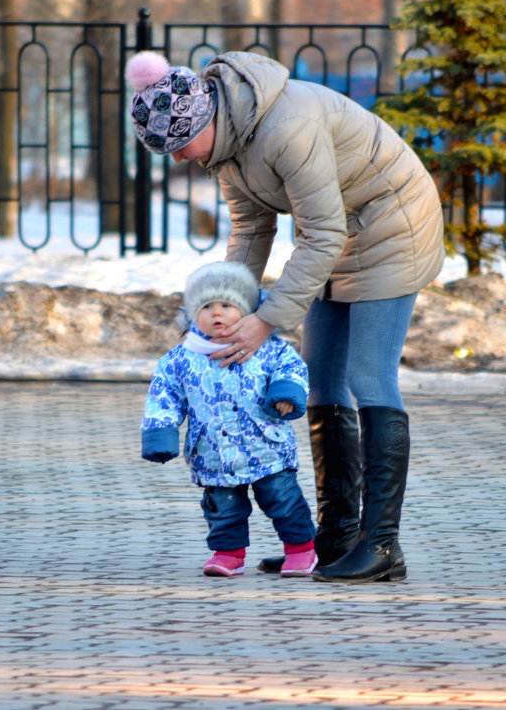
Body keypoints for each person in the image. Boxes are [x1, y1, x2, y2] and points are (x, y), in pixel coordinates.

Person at [126, 50, 445, 583]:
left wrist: (266, 321)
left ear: (200, 121)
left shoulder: (286, 126)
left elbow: (320, 235)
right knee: (321, 382)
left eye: (178, 145)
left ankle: (383, 546)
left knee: (367, 378)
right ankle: (338, 534)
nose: (178, 159)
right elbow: (252, 233)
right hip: (336, 237)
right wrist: (223, 312)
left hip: (393, 227)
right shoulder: (225, 149)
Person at [140, 260, 317, 578]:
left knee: (283, 499)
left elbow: (291, 368)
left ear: (248, 311)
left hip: (266, 446)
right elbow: (163, 396)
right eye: (207, 306)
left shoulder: (268, 348)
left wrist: (286, 392)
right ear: (194, 313)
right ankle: (228, 554)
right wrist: (160, 431)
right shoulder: (181, 359)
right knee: (223, 508)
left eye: (227, 305)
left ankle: (301, 550)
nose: (217, 313)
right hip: (213, 453)